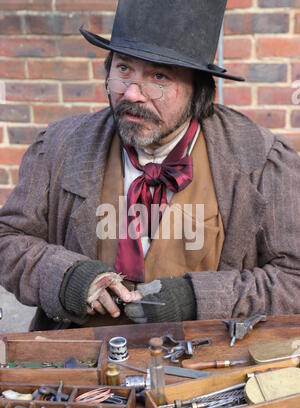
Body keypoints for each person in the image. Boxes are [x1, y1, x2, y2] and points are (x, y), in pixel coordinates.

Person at [0, 0, 299, 331]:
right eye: (123, 69)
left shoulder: (262, 161)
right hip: (81, 362)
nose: (132, 93)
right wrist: (67, 277)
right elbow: (9, 239)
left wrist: (196, 298)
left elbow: (293, 279)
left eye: (158, 76)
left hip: (206, 369)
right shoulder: (58, 147)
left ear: (199, 90)